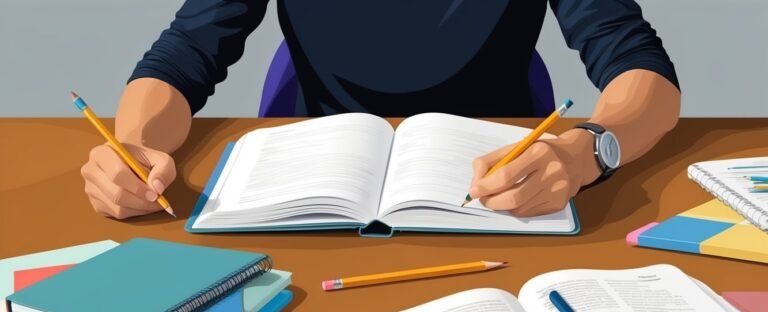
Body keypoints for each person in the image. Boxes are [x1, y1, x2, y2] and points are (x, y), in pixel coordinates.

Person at [81, 0, 680, 219]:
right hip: (323, 179)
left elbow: (641, 68)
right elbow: (184, 55)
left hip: (498, 182)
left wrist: (590, 149)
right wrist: (134, 147)